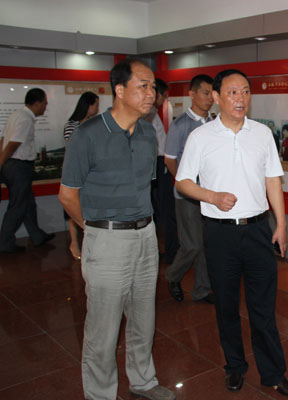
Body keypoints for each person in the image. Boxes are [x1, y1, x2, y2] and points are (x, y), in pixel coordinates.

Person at [175, 69, 288, 397]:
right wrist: (212, 196)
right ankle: (234, 366)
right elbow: (183, 181)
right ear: (216, 97)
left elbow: (273, 180)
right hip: (220, 234)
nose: (240, 98)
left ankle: (273, 373)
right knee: (226, 305)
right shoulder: (200, 137)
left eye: (245, 91)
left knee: (263, 307)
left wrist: (281, 225)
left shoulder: (262, 133)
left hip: (258, 230)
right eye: (232, 92)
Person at [59, 58, 175, 400]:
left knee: (143, 317)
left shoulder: (147, 133)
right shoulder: (88, 134)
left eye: (153, 87)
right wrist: (94, 229)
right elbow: (67, 195)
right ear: (120, 90)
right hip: (106, 238)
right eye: (143, 86)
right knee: (103, 328)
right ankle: (100, 394)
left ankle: (143, 381)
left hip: (145, 236)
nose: (151, 94)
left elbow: (144, 187)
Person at [163, 74, 215, 304]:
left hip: (209, 195)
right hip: (187, 196)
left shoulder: (214, 123)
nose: (210, 98)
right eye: (205, 93)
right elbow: (169, 160)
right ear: (192, 94)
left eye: (212, 93)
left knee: (205, 244)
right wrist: (185, 185)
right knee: (192, 244)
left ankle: (202, 290)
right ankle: (172, 276)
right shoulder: (180, 125)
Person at [0, 88, 54, 253]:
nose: (45, 107)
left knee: (28, 203)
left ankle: (37, 235)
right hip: (18, 167)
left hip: (14, 166)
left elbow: (3, 140)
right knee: (18, 206)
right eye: (45, 103)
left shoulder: (17, 115)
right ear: (37, 103)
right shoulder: (24, 118)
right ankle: (5, 243)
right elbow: (13, 144)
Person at [145, 78, 179, 265]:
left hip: (158, 163)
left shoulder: (151, 113)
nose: (163, 99)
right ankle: (171, 252)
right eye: (163, 96)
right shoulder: (149, 114)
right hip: (158, 163)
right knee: (166, 210)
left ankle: (165, 250)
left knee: (160, 211)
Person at [63, 91, 100, 259]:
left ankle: (88, 241)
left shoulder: (93, 124)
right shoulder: (72, 125)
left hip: (92, 173)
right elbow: (73, 147)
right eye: (96, 105)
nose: (97, 109)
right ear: (89, 105)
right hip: (77, 171)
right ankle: (74, 243)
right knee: (74, 206)